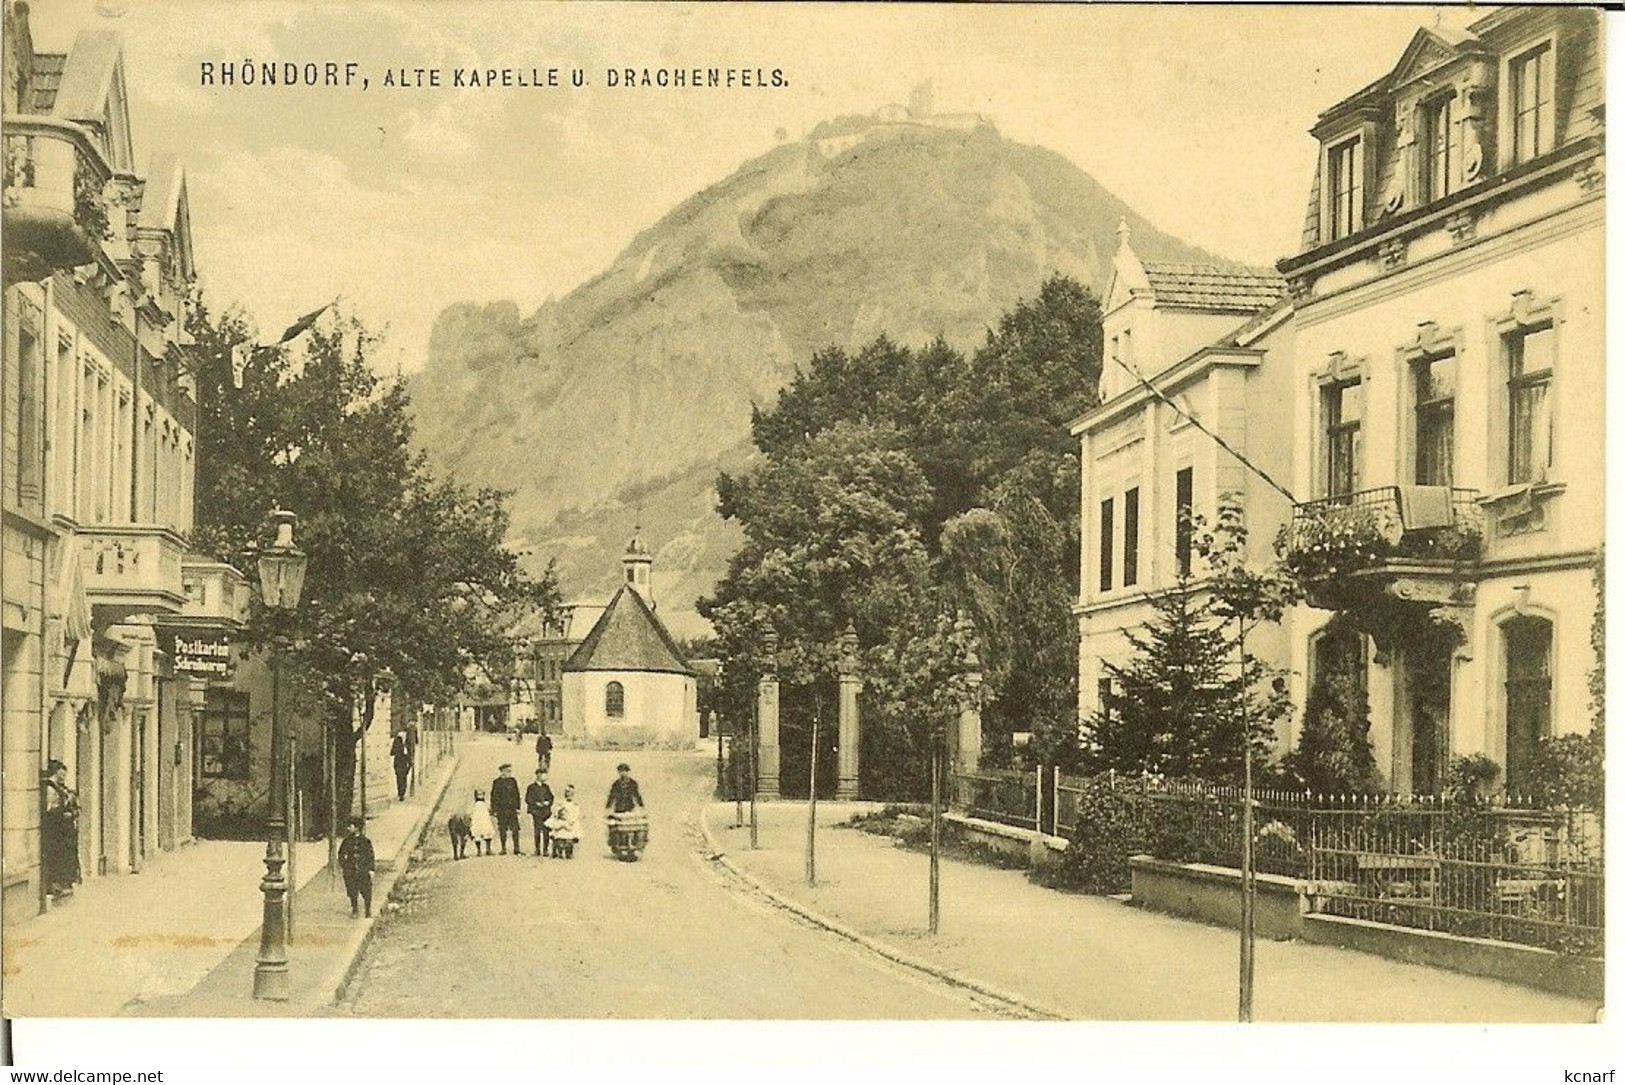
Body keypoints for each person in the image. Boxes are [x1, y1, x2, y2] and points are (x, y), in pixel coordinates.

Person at [40, 760, 80, 897]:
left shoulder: (63, 790)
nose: (62, 778)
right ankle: (55, 884)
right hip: (54, 830)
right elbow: (49, 810)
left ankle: (63, 883)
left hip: (63, 830)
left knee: (64, 855)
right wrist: (63, 814)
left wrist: (72, 812)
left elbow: (76, 807)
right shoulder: (50, 789)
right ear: (55, 772)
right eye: (61, 775)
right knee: (55, 856)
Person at [338, 817, 375, 918]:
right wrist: (344, 865)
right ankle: (355, 909)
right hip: (350, 870)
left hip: (363, 869)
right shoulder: (347, 841)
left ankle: (368, 910)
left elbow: (370, 855)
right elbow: (341, 854)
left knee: (366, 890)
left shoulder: (366, 841)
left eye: (351, 826)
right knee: (352, 890)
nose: (348, 828)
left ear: (357, 827)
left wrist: (371, 869)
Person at [490, 763, 522, 856]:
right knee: (502, 829)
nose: (509, 773)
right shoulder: (496, 782)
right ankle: (503, 848)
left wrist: (518, 807)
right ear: (502, 771)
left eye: (510, 771)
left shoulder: (513, 781)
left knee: (515, 829)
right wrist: (494, 809)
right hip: (502, 809)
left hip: (512, 809)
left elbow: (517, 794)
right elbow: (494, 796)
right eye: (508, 771)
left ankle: (517, 848)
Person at [545, 785, 581, 858]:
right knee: (558, 832)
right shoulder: (561, 803)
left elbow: (576, 814)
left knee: (572, 832)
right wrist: (560, 815)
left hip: (570, 822)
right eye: (567, 792)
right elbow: (556, 812)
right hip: (561, 821)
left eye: (571, 793)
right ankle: (558, 851)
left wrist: (571, 820)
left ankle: (569, 851)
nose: (568, 794)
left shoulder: (575, 805)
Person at [525, 769, 554, 857]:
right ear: (538, 775)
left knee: (546, 831)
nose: (545, 777)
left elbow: (551, 797)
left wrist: (547, 802)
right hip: (536, 812)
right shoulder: (531, 787)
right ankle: (537, 849)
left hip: (546, 812)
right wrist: (536, 803)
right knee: (537, 831)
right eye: (543, 775)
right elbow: (528, 799)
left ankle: (545, 850)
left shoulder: (546, 787)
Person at [468, 789, 495, 856]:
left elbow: (490, 810)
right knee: (477, 833)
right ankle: (479, 850)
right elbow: (470, 812)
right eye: (478, 795)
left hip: (485, 819)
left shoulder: (485, 804)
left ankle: (488, 849)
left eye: (482, 794)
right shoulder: (475, 805)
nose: (480, 796)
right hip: (477, 820)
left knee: (487, 832)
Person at [390, 729, 412, 802]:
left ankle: (402, 792)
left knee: (404, 778)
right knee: (400, 778)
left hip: (405, 761)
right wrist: (401, 750)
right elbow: (392, 752)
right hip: (399, 761)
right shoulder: (397, 741)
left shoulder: (408, 741)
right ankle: (401, 794)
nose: (403, 735)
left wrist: (410, 760)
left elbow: (411, 750)